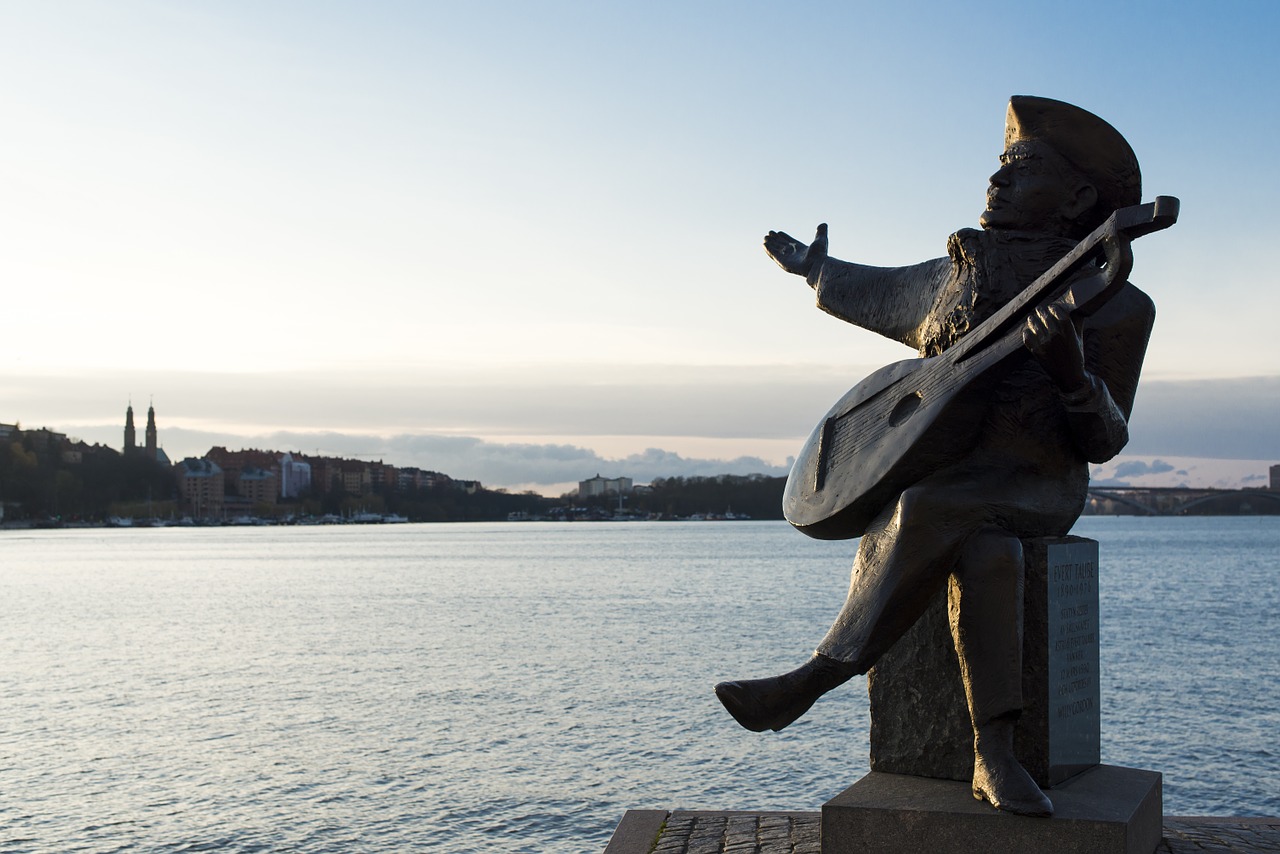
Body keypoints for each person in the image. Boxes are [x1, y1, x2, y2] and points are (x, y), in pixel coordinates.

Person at [715, 96, 1156, 817]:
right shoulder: (955, 279)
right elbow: (870, 289)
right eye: (999, 167)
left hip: (1040, 483)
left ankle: (815, 677)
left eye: (1024, 168)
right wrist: (814, 269)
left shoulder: (1118, 305)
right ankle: (995, 757)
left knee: (926, 507)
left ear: (1078, 197)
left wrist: (1073, 376)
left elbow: (1106, 442)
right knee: (986, 553)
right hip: (957, 481)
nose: (998, 180)